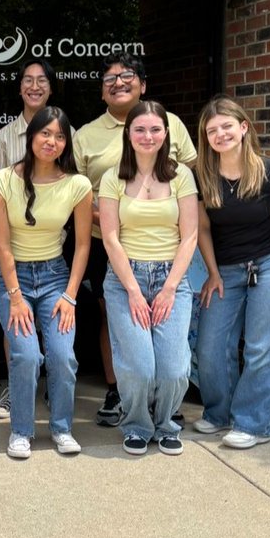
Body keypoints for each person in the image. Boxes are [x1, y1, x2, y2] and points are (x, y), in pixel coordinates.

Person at [73, 54, 197, 426]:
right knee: (115, 321)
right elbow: (76, 193)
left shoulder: (170, 123)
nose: (118, 82)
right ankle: (121, 392)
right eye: (109, 78)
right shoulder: (87, 135)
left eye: (127, 76)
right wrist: (109, 215)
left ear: (143, 84)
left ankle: (163, 403)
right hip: (106, 242)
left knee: (166, 332)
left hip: (167, 250)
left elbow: (190, 182)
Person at [193, 96, 270, 449]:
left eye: (227, 126)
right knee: (210, 346)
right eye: (212, 130)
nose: (220, 134)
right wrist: (212, 273)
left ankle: (254, 424)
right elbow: (203, 230)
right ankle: (219, 413)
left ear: (243, 128)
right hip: (225, 268)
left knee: (260, 347)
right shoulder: (202, 176)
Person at [0, 105, 92, 459]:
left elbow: (82, 246)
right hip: (12, 279)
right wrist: (15, 297)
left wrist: (71, 295)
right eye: (45, 133)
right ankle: (21, 430)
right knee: (26, 354)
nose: (52, 141)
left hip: (55, 277)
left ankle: (61, 428)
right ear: (31, 136)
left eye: (60, 135)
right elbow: (1, 244)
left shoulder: (77, 185)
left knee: (62, 356)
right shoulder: (1, 180)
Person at [99, 101, 199, 456]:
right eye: (140, 129)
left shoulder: (182, 176)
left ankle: (166, 422)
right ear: (128, 133)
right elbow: (110, 237)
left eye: (155, 129)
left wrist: (170, 287)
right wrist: (133, 291)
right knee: (139, 367)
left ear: (166, 134)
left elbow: (189, 236)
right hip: (126, 279)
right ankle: (138, 424)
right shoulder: (113, 177)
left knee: (172, 367)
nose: (148, 136)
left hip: (171, 277)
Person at [0, 58, 58, 418]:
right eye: (27, 80)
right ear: (19, 88)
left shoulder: (66, 132)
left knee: (52, 328)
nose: (34, 86)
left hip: (52, 246)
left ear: (50, 87)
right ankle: (18, 390)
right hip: (10, 247)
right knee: (15, 324)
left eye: (41, 80)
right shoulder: (2, 137)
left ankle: (49, 389)